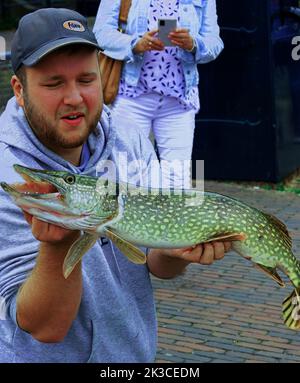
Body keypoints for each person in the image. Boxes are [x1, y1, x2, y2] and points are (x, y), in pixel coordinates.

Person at [0, 8, 231, 363]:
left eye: (87, 79)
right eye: (54, 83)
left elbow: (157, 264)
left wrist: (178, 250)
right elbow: (45, 328)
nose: (75, 97)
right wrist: (58, 245)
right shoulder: (9, 174)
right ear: (19, 89)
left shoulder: (128, 139)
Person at [93, 0, 224, 188]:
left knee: (177, 184)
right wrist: (135, 44)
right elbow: (101, 32)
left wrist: (193, 44)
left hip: (179, 101)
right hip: (132, 97)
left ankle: (170, 218)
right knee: (126, 179)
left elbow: (214, 41)